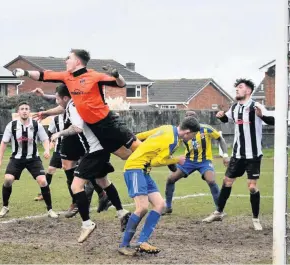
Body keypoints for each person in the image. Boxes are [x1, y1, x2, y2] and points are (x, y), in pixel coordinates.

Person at [12, 49, 139, 160]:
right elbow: (42, 75)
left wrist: (117, 75)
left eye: (69, 58)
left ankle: (153, 156)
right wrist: (24, 72)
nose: (65, 60)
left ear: (77, 61)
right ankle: (143, 165)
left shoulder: (94, 76)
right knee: (123, 155)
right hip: (94, 127)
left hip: (108, 121)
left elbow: (121, 84)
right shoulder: (66, 76)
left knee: (135, 146)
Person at [50, 84, 129, 243]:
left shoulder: (73, 105)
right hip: (101, 148)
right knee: (102, 181)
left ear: (65, 98)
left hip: (94, 151)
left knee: (75, 186)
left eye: (57, 99)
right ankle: (122, 212)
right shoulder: (81, 102)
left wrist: (59, 133)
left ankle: (87, 223)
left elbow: (77, 128)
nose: (57, 102)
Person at [118, 117, 200, 256]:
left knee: (160, 204)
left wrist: (142, 148)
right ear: (187, 132)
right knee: (142, 207)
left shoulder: (168, 128)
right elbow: (157, 161)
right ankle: (124, 245)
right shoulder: (172, 141)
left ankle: (142, 241)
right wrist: (176, 159)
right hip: (135, 168)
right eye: (193, 135)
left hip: (144, 170)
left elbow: (143, 135)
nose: (192, 138)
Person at [202, 78, 275, 231]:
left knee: (251, 187)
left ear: (248, 91)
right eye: (236, 88)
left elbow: (272, 120)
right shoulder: (235, 107)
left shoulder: (256, 105)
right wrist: (220, 115)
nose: (237, 89)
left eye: (240, 87)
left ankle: (255, 219)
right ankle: (218, 212)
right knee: (227, 181)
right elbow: (226, 118)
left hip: (253, 155)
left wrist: (261, 116)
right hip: (238, 154)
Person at [31, 87, 111, 216]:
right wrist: (45, 99)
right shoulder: (65, 101)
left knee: (89, 171)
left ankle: (101, 196)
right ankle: (77, 201)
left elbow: (64, 101)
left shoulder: (79, 97)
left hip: (80, 136)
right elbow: (60, 99)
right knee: (63, 168)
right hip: (65, 141)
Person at [0, 102, 58, 219]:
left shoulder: (36, 124)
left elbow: (44, 139)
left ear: (29, 111)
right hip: (16, 159)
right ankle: (5, 206)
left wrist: (47, 150)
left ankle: (50, 209)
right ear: (18, 112)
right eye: (22, 109)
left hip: (33, 159)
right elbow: (3, 143)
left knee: (43, 181)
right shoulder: (11, 125)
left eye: (26, 109)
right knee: (8, 180)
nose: (24, 111)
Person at [163, 111, 229, 217]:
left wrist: (225, 155)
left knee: (211, 181)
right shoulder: (182, 132)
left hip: (204, 161)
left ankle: (219, 209)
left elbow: (220, 138)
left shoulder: (206, 129)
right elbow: (173, 146)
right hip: (188, 161)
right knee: (171, 179)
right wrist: (169, 158)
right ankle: (168, 207)